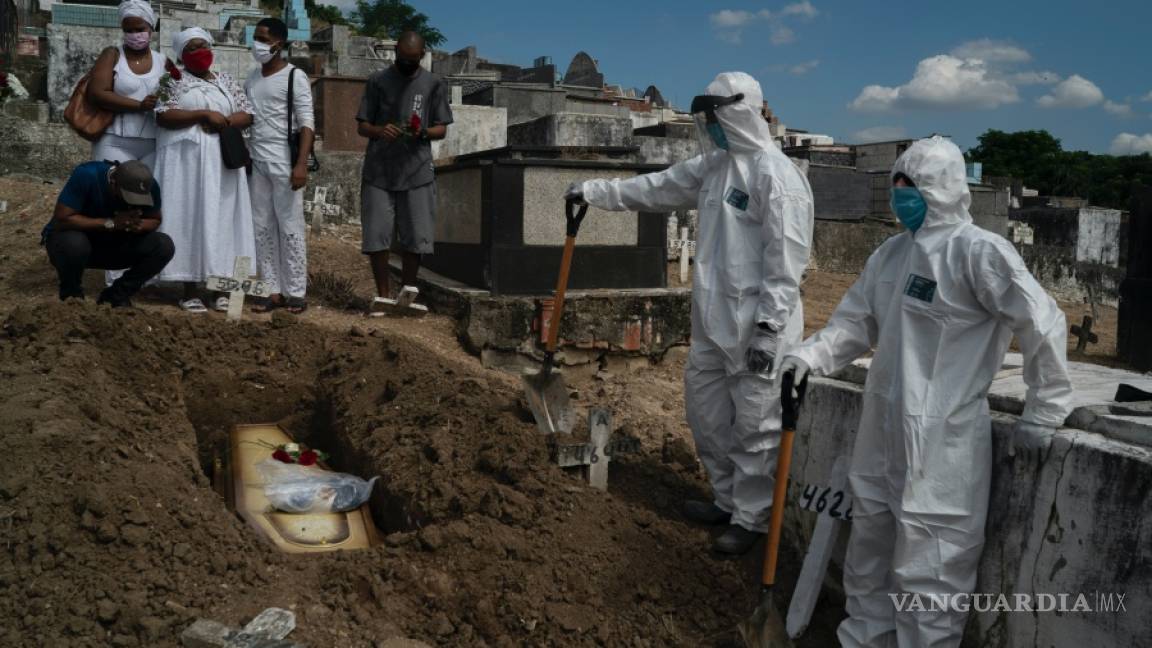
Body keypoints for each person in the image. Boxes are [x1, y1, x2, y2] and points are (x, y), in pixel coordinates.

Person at [777, 136, 1074, 647]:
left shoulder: (978, 252)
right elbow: (854, 325)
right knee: (868, 552)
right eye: (896, 186)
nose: (900, 197)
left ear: (940, 190)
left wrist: (1043, 410)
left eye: (910, 187)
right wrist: (808, 356)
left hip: (943, 445)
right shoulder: (891, 255)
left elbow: (1042, 323)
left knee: (931, 571)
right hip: (882, 433)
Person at [565, 71, 814, 555]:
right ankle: (725, 499)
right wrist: (593, 191)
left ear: (738, 112)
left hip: (759, 328)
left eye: (717, 117)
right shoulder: (715, 167)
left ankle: (753, 520)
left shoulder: (777, 178)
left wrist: (768, 329)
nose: (712, 126)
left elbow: (786, 265)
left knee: (756, 428)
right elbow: (655, 188)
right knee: (708, 420)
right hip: (713, 323)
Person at [154, 27, 256, 313]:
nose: (201, 53)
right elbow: (163, 115)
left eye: (204, 46)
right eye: (193, 48)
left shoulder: (224, 79)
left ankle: (222, 289)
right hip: (187, 166)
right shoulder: (170, 80)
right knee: (190, 218)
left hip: (223, 163)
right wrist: (201, 114)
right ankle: (189, 290)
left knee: (223, 220)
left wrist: (223, 120)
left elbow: (247, 113)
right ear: (182, 55)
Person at [355, 31, 452, 311]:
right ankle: (383, 295)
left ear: (422, 56)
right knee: (376, 235)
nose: (407, 63)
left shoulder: (433, 84)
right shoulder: (377, 81)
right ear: (395, 51)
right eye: (402, 57)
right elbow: (362, 125)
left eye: (413, 59)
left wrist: (422, 132)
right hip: (379, 170)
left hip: (417, 170)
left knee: (417, 236)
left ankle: (407, 296)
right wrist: (378, 130)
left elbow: (441, 128)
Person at [244, 17, 314, 315]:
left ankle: (295, 292)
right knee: (261, 227)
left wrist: (301, 165)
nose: (257, 45)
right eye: (255, 38)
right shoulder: (251, 78)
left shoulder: (294, 76)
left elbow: (307, 123)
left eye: (263, 39)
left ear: (279, 43)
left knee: (290, 226)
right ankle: (271, 291)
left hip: (285, 162)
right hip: (256, 161)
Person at [42, 160, 174, 307]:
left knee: (164, 245)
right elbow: (62, 219)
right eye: (128, 196)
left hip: (115, 244)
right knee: (74, 244)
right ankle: (72, 298)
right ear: (113, 182)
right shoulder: (87, 174)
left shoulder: (147, 186)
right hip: (74, 244)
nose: (133, 202)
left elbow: (155, 219)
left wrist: (136, 225)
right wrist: (110, 223)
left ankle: (116, 296)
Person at [85, 0, 168, 167]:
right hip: (114, 140)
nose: (134, 34)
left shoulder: (163, 61)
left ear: (151, 29)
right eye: (128, 30)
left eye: (140, 29)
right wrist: (139, 105)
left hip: (154, 143)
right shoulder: (112, 55)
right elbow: (97, 93)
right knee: (112, 190)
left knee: (148, 191)